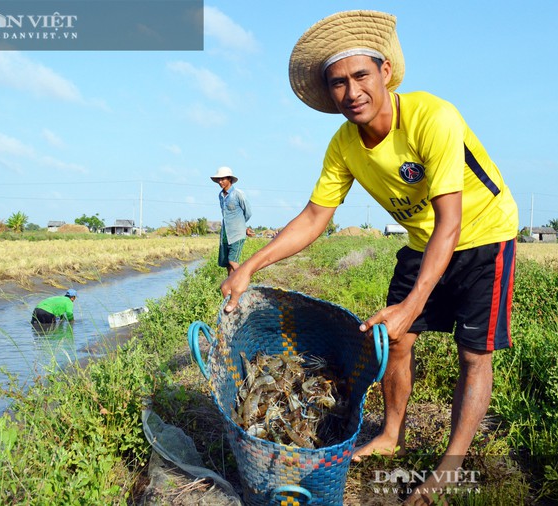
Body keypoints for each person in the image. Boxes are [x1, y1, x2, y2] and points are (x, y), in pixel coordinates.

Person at [220, 10, 518, 505]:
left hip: (484, 235)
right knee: (394, 342)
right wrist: (249, 265)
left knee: (473, 355)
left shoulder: (432, 117)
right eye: (338, 82)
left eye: (360, 75)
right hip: (425, 241)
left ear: (384, 72)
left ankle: (449, 467)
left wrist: (413, 303)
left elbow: (452, 222)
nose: (351, 91)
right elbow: (315, 217)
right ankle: (390, 434)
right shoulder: (343, 145)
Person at [211, 166, 252, 276]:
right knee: (228, 265)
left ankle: (243, 280)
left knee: (232, 261)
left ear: (229, 179)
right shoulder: (220, 196)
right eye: (219, 179)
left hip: (237, 234)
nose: (220, 182)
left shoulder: (238, 194)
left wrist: (242, 227)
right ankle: (230, 288)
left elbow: (248, 212)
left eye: (223, 179)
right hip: (225, 235)